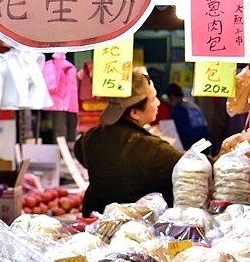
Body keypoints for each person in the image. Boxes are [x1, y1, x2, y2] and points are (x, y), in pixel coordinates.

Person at [74, 71, 183, 215]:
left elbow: (79, 151)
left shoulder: (90, 138)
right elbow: (192, 167)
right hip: (135, 229)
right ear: (135, 112)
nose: (158, 103)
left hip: (95, 223)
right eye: (153, 98)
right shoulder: (151, 148)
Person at [167, 83, 211, 149]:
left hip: (190, 145)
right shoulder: (192, 105)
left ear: (172, 97)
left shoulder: (178, 109)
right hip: (205, 143)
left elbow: (176, 132)